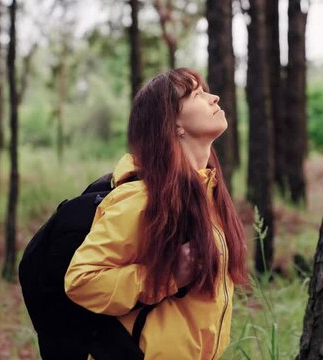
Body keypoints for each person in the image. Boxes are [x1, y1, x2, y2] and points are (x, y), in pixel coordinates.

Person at [64, 68, 248, 359]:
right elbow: (82, 280)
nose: (214, 98)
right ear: (173, 123)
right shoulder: (142, 198)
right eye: (196, 94)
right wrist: (167, 276)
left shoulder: (207, 195)